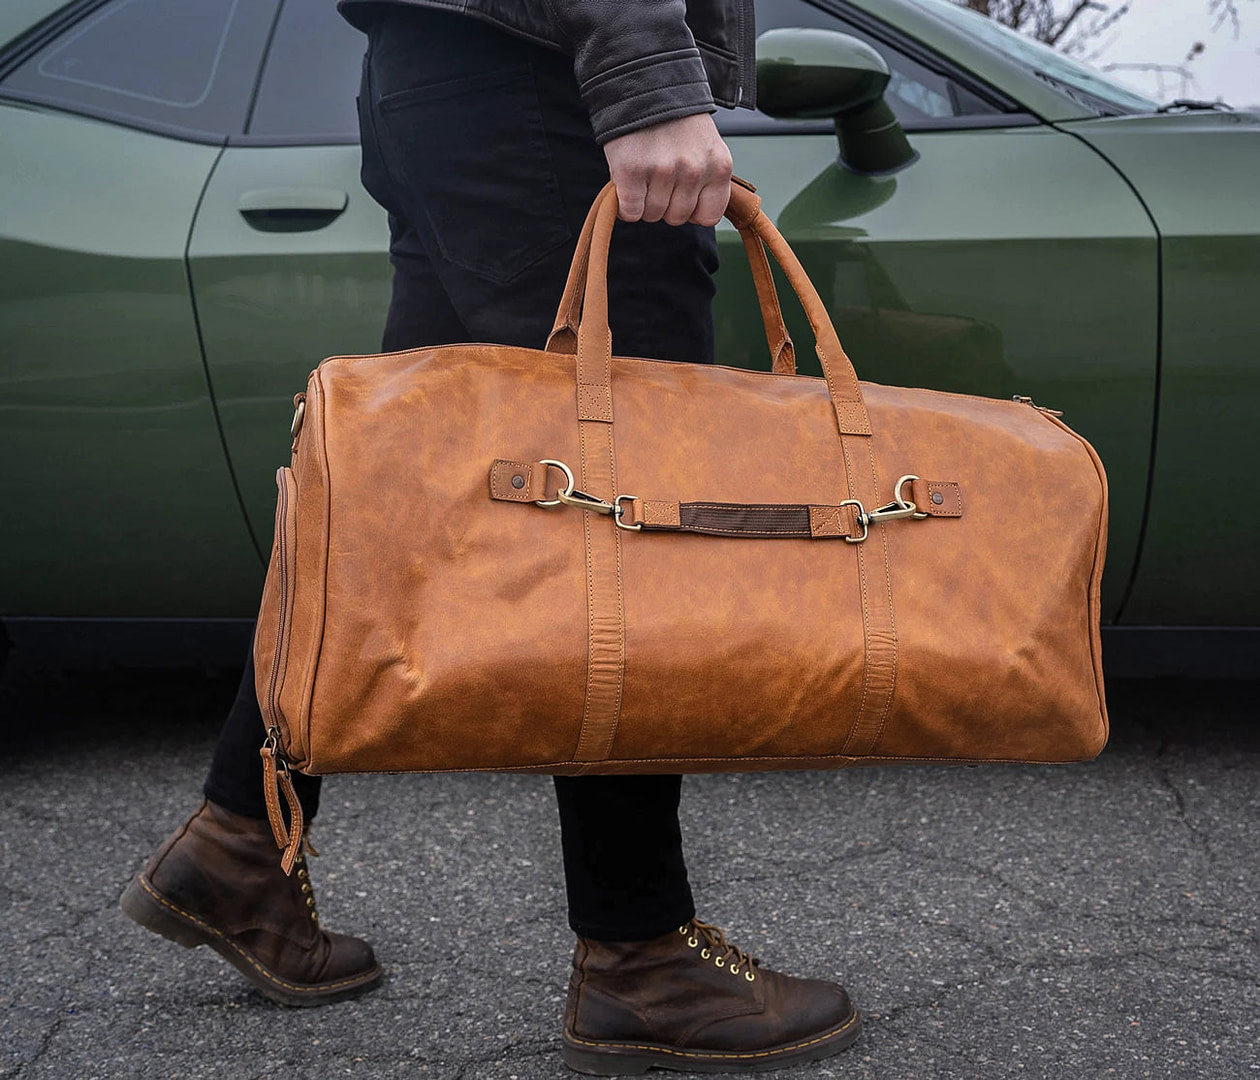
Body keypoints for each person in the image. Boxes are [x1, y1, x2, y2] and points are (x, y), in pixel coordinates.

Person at [121, 1, 861, 1072]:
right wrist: (646, 71)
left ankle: (241, 842)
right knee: (622, 505)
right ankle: (639, 955)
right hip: (545, 83)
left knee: (404, 494)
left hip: (454, 71)